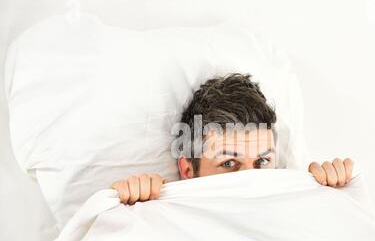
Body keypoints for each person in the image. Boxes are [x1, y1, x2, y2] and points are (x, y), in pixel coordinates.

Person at [111, 73, 354, 205]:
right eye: (229, 164)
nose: (252, 179)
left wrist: (333, 196)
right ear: (187, 170)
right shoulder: (157, 219)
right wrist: (124, 201)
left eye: (262, 162)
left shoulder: (298, 207)